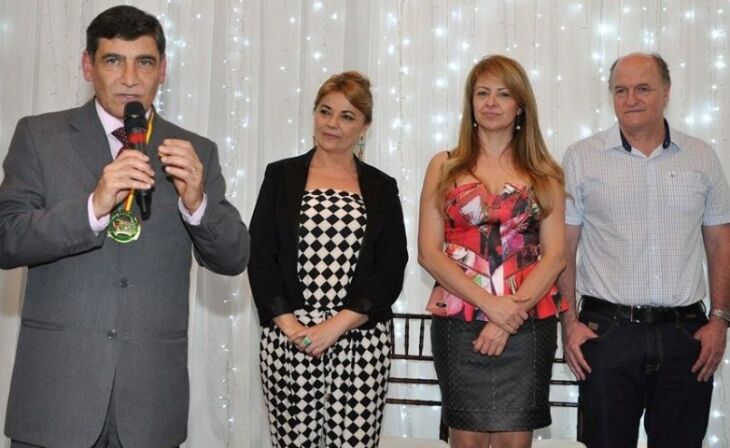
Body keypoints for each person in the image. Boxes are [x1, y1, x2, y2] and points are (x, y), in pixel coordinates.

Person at [0, 5, 249, 448]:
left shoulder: (195, 151)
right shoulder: (40, 137)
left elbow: (234, 257)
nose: (130, 78)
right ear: (87, 66)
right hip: (57, 398)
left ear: (163, 70)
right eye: (113, 60)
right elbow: (7, 239)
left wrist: (197, 202)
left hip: (151, 403)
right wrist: (92, 207)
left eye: (145, 62)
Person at [558, 52, 730, 448]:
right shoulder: (582, 157)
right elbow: (563, 246)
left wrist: (720, 319)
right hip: (607, 334)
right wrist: (568, 323)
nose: (630, 98)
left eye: (642, 88)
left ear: (666, 93)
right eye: (620, 90)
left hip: (686, 335)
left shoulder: (701, 156)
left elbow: (720, 239)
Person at [248, 71, 408, 448]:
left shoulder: (382, 187)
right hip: (290, 338)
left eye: (347, 116)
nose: (332, 124)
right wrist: (292, 327)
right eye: (325, 112)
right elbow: (260, 256)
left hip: (361, 343)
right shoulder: (281, 175)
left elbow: (391, 268)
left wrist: (335, 327)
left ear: (365, 127)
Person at [419, 55, 567, 448]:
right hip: (458, 323)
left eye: (503, 93)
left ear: (521, 105)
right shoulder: (444, 165)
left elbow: (555, 256)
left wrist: (504, 319)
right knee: (465, 441)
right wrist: (489, 304)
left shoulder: (545, 172)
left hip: (526, 325)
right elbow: (429, 253)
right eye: (482, 92)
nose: (491, 102)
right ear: (470, 103)